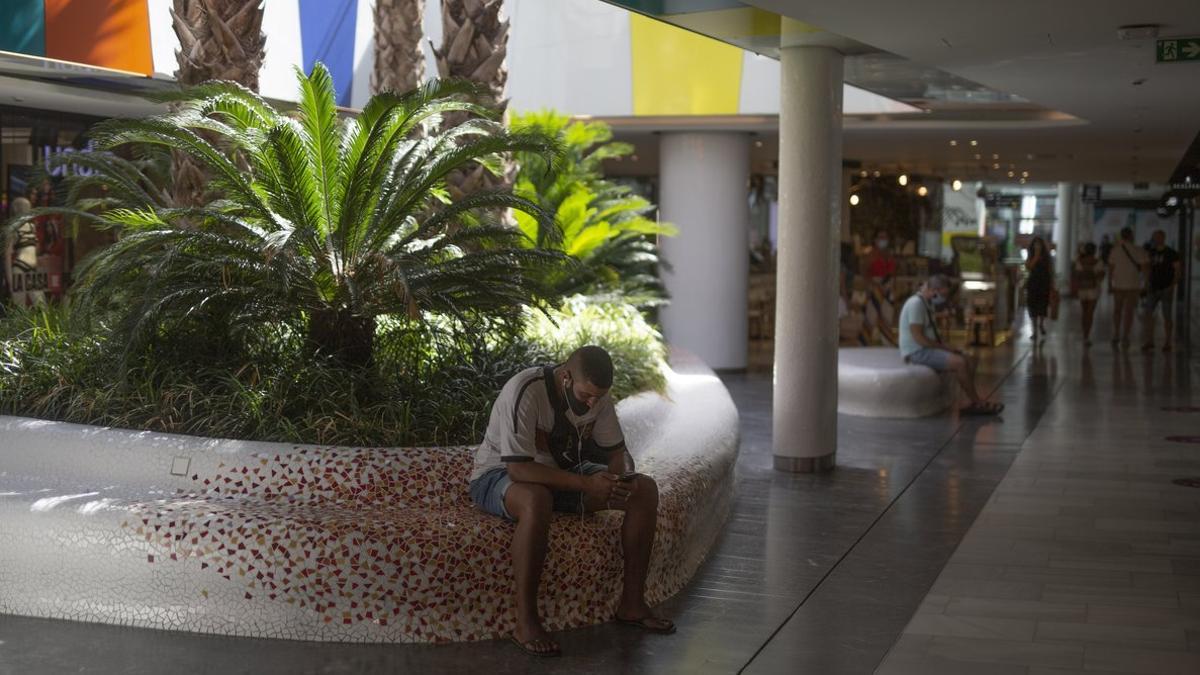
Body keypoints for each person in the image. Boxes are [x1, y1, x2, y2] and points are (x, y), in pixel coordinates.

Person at [468, 346, 673, 657]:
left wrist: (619, 480)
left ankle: (632, 603)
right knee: (537, 499)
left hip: (560, 474)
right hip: (498, 476)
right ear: (565, 377)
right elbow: (518, 468)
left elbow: (618, 454)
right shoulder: (526, 390)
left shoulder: (597, 396)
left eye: (599, 396)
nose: (593, 402)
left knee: (644, 490)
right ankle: (526, 623)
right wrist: (586, 484)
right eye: (586, 395)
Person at [898, 275, 1004, 415]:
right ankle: (977, 402)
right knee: (960, 362)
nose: (943, 299)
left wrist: (948, 347)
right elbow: (919, 338)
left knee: (970, 359)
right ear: (935, 290)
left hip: (926, 348)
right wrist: (945, 348)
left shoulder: (927, 303)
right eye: (943, 294)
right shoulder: (916, 304)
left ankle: (969, 401)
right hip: (917, 352)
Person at [1108, 226, 1148, 350]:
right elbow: (1145, 269)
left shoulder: (1115, 250)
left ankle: (1116, 333)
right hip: (1133, 285)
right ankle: (1125, 335)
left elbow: (1111, 269)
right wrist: (1145, 285)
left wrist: (1109, 284)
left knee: (1117, 310)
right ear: (1131, 236)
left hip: (1118, 285)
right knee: (1129, 312)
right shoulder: (1139, 250)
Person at [1142, 229, 1181, 352]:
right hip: (1153, 288)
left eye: (1158, 237)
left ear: (1163, 238)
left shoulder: (1171, 253)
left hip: (1166, 288)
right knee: (1148, 314)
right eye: (1155, 237)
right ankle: (1149, 341)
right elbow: (1147, 268)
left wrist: (1172, 285)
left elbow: (1178, 271)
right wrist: (1146, 282)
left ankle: (1168, 341)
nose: (1156, 239)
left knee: (1167, 316)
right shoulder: (1150, 252)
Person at [1073, 242, 1104, 346]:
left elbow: (1076, 276)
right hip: (1094, 289)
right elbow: (1101, 277)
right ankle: (1087, 335)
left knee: (1084, 312)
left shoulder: (1079, 261)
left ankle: (1085, 335)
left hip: (1082, 289)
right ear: (1095, 251)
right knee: (1090, 313)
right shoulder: (1098, 262)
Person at [1024, 236, 1052, 341]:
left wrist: (1052, 285)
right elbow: (1028, 267)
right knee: (1033, 306)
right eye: (1035, 244)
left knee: (1043, 305)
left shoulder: (1046, 257)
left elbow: (1050, 270)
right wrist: (1035, 256)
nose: (1037, 246)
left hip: (1044, 283)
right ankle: (1034, 330)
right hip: (1033, 283)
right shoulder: (1031, 255)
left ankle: (1041, 324)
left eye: (1039, 244)